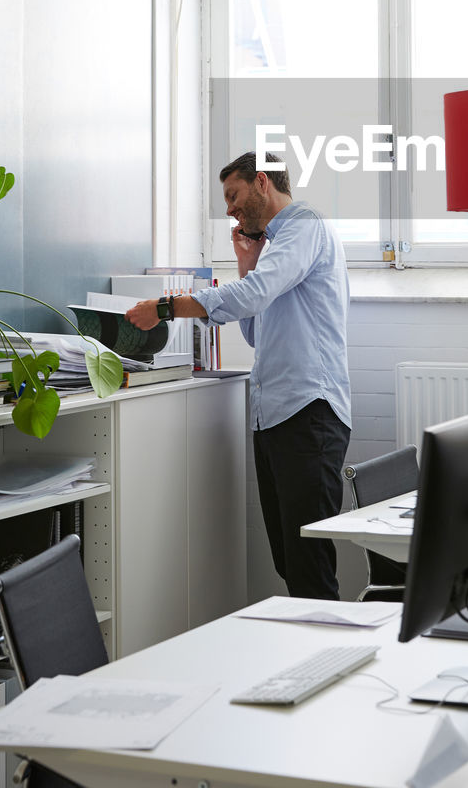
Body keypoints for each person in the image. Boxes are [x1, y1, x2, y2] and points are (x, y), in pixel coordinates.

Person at [126, 151, 351, 600]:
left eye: (233, 195)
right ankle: (307, 664)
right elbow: (254, 329)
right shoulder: (275, 248)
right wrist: (247, 263)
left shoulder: (305, 226)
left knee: (309, 567)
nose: (229, 209)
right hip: (276, 420)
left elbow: (252, 297)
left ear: (262, 183)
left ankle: (328, 664)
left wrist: (167, 308)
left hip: (309, 415)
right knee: (289, 563)